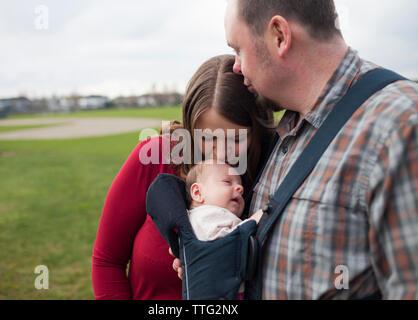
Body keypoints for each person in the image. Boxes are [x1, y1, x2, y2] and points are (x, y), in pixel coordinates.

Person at [174, 0, 418, 299]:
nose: (235, 66)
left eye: (238, 49)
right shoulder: (287, 128)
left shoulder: (401, 124)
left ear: (279, 35)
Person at [91, 54, 276, 299]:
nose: (220, 154)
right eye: (207, 138)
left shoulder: (272, 171)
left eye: (235, 139)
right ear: (190, 128)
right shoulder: (155, 157)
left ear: (256, 130)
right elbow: (107, 262)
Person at [186, 160, 263, 242]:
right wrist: (252, 221)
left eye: (240, 186)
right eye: (227, 182)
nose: (240, 189)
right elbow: (223, 243)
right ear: (198, 193)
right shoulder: (203, 216)